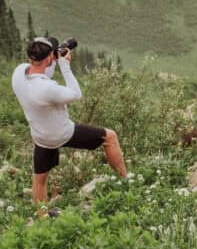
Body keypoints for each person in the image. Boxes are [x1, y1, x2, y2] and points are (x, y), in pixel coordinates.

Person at [12, 37, 127, 211]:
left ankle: (42, 217)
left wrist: (53, 59)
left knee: (40, 179)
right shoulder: (48, 89)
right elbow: (75, 94)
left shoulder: (19, 73)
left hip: (40, 136)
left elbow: (41, 73)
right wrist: (65, 66)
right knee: (109, 137)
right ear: (50, 58)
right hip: (63, 133)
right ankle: (126, 180)